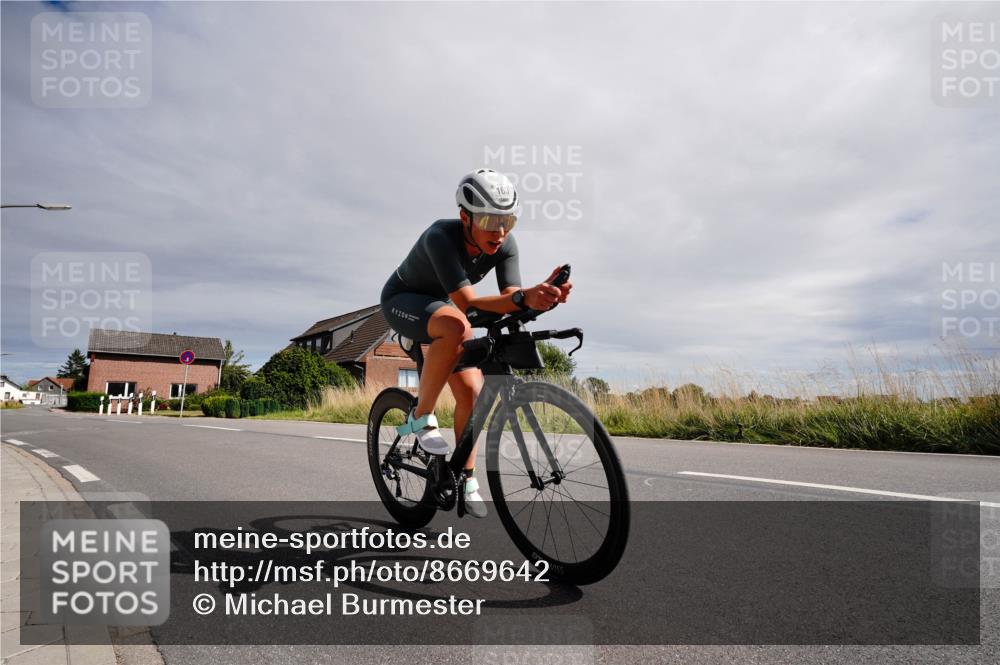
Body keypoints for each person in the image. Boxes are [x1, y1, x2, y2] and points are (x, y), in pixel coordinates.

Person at [380, 168, 572, 517]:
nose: (499, 232)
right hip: (403, 300)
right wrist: (522, 298)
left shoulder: (506, 244)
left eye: (507, 221)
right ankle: (420, 417)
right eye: (488, 220)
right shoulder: (440, 236)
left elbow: (510, 298)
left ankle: (466, 478)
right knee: (458, 325)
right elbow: (468, 303)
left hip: (444, 307)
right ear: (465, 217)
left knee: (472, 391)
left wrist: (541, 298)